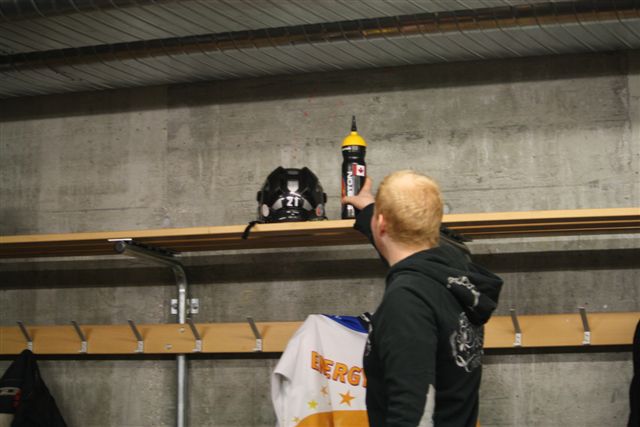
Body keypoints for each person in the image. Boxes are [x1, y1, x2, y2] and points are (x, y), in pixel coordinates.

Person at [342, 170, 503, 427]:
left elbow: (411, 412)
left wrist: (378, 214)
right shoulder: (453, 273)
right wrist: (369, 208)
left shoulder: (406, 301)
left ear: (381, 223)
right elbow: (405, 243)